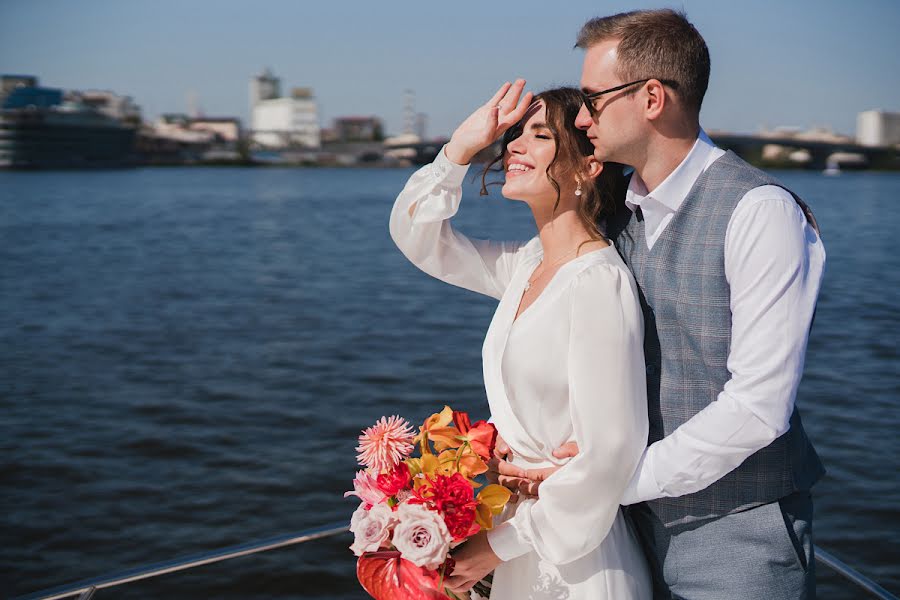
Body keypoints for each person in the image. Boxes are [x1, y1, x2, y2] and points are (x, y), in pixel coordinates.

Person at [494, 10, 826, 600]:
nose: (579, 116)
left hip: (731, 537)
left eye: (593, 98)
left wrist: (612, 481)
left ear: (652, 97)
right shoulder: (613, 210)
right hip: (621, 530)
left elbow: (758, 407)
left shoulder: (758, 211)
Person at [389, 82, 652, 598]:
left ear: (587, 166)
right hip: (516, 540)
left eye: (539, 135)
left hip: (575, 559)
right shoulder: (527, 264)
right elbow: (418, 238)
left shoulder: (595, 282)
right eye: (514, 134)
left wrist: (498, 546)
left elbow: (611, 451)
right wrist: (460, 148)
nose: (513, 146)